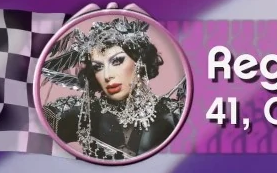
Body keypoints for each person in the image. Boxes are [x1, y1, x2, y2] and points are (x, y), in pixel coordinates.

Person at [41, 16, 185, 161]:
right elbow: (34, 133)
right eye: (98, 67)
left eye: (117, 61)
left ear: (139, 61)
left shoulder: (173, 115)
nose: (107, 75)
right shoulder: (81, 113)